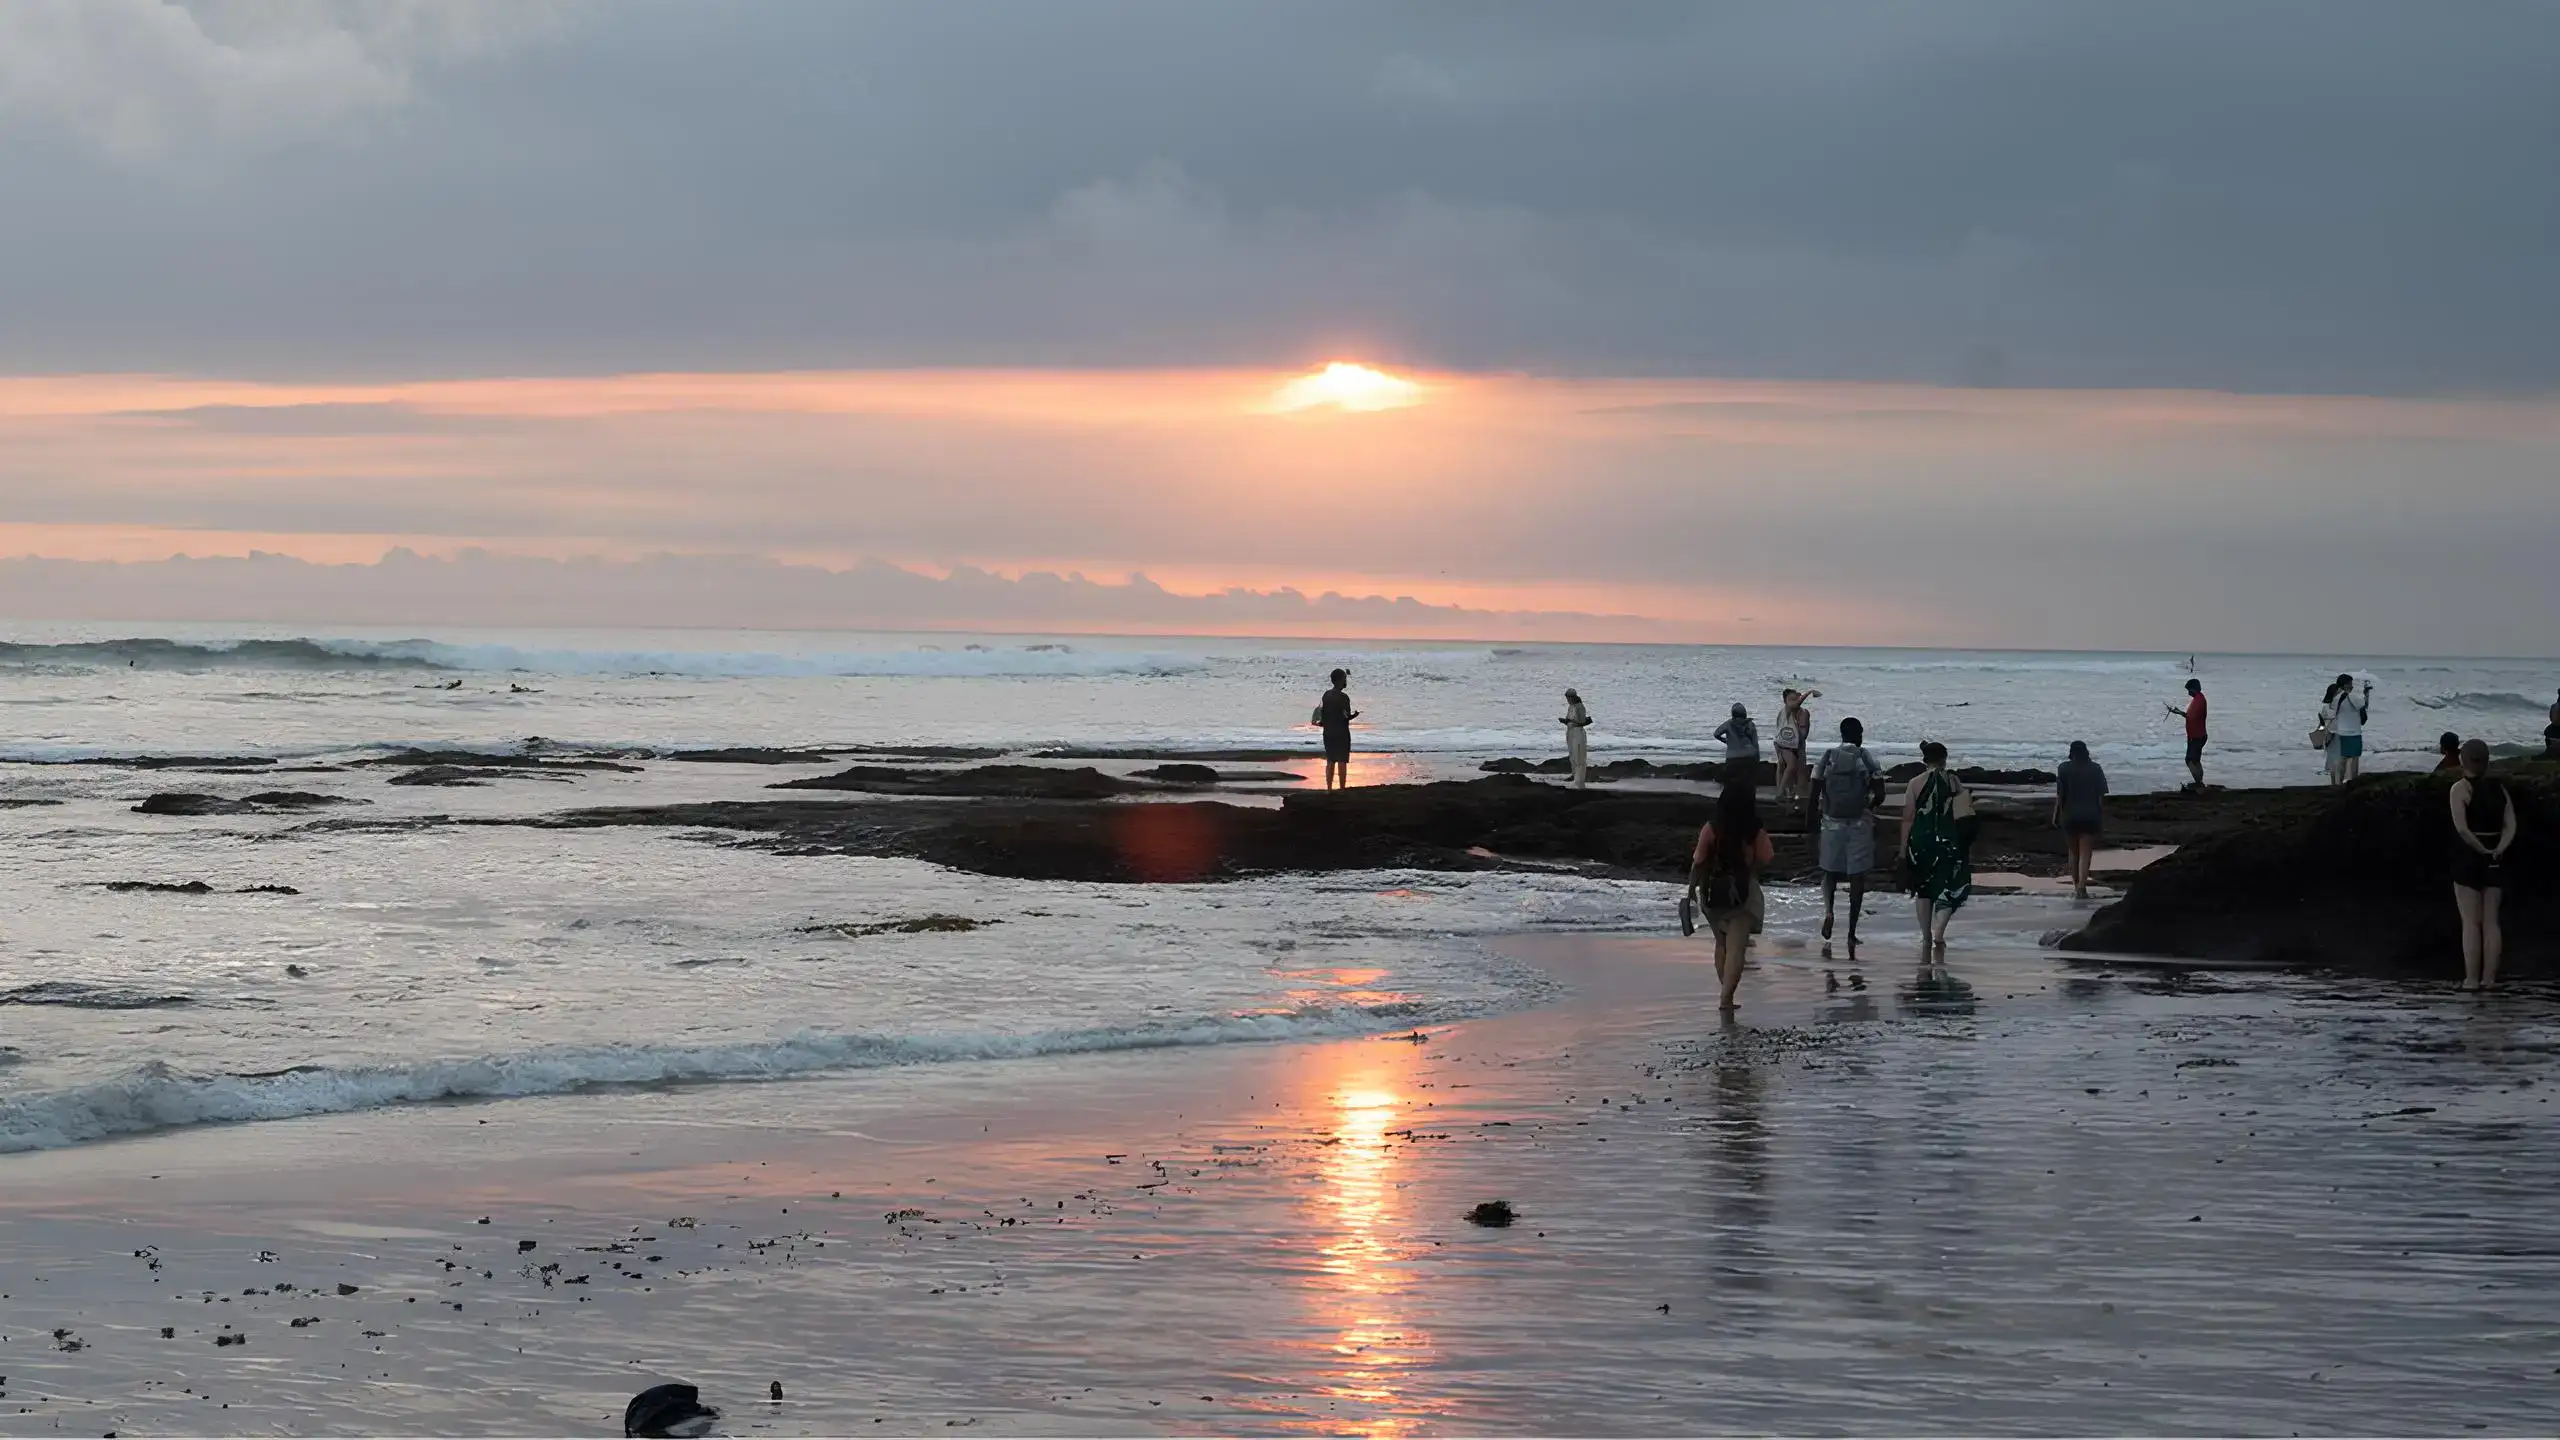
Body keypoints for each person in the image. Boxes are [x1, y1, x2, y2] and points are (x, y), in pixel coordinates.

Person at [1690, 778, 1775, 1013]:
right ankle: (1725, 999)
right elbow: (1767, 857)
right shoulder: (1753, 829)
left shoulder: (1712, 827)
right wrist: (1752, 867)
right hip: (1742, 892)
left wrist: (1691, 892)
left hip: (1711, 891)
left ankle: (1725, 992)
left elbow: (1698, 860)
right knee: (1737, 948)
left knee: (1721, 944)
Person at [2447, 739, 2518, 991]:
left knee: (2470, 922)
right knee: (2491, 922)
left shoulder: (2460, 788)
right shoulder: (2499, 789)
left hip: (2469, 858)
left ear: (2463, 760)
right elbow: (2510, 824)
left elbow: (2463, 829)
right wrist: (2498, 849)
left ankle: (2471, 980)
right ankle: (2489, 979)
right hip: (2496, 857)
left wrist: (2481, 849)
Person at [1810, 717, 1883, 948]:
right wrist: (1868, 807)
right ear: (1859, 734)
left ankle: (1829, 912)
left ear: (1841, 733)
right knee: (1856, 877)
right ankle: (1851, 932)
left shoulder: (1828, 756)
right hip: (1858, 823)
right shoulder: (1866, 757)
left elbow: (1814, 792)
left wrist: (1811, 821)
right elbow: (1880, 793)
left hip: (1831, 822)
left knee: (1830, 872)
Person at [1900, 740, 1973, 954]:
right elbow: (1964, 814)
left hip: (1921, 840)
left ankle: (1926, 936)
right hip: (1948, 840)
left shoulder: (1914, 783)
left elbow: (1907, 818)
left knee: (1923, 889)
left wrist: (1903, 849)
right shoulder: (1953, 782)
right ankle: (1939, 930)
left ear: (1924, 760)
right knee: (1951, 884)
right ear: (1944, 759)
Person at [2052, 740, 2108, 901]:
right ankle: (2082, 887)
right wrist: (2101, 817)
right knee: (2085, 854)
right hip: (2090, 816)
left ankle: (2076, 885)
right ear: (2086, 752)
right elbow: (2100, 798)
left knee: (2073, 853)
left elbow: (2060, 796)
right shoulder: (2096, 769)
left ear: (2071, 752)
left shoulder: (2063, 768)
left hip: (2069, 815)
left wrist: (2055, 815)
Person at [2320, 672, 2372, 785]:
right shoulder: (2352, 697)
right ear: (2346, 685)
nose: (2352, 686)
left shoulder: (2334, 700)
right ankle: (2351, 784)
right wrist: (2366, 694)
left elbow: (2329, 715)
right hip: (2353, 733)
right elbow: (2363, 710)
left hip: (2337, 733)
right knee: (2353, 759)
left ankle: (2336, 784)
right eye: (2351, 683)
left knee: (2339, 760)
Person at [1774, 688, 1820, 805]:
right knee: (1786, 766)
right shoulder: (1786, 711)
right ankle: (1782, 793)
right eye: (1791, 699)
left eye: (1796, 698)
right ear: (1785, 701)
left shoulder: (1803, 712)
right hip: (1785, 744)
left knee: (1793, 768)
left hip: (1795, 744)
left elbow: (1804, 733)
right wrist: (1809, 692)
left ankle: (1788, 794)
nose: (1795, 701)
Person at [2162, 678, 2208, 792]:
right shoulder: (2199, 699)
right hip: (2199, 734)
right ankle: (2200, 783)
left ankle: (2199, 784)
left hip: (2196, 736)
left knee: (2189, 760)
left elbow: (2190, 717)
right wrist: (2178, 712)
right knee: (2196, 760)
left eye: (2189, 690)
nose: (2188, 692)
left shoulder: (2198, 701)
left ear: (2194, 689)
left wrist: (2180, 713)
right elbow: (2190, 715)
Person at [1316, 669, 1358, 790]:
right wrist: (1355, 715)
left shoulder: (1326, 695)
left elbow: (1323, 714)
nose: (1346, 681)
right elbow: (1346, 716)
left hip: (1328, 732)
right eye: (1344, 679)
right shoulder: (1344, 697)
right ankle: (1342, 788)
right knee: (1342, 761)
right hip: (1341, 732)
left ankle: (1329, 789)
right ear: (1340, 680)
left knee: (1330, 760)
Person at [1714, 703, 1760, 780]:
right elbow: (1755, 744)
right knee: (1748, 784)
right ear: (1745, 713)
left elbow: (1716, 734)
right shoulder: (1751, 725)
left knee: (1731, 785)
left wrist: (1726, 741)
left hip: (1732, 759)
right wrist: (1757, 759)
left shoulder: (1728, 724)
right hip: (1749, 758)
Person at [1560, 688, 1593, 789]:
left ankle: (1579, 780)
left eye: (1569, 697)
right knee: (1572, 755)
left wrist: (1570, 720)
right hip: (1570, 731)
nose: (1568, 699)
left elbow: (1582, 721)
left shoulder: (1580, 707)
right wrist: (1566, 721)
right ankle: (1574, 775)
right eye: (1567, 697)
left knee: (1579, 756)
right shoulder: (1571, 707)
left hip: (1578, 731)